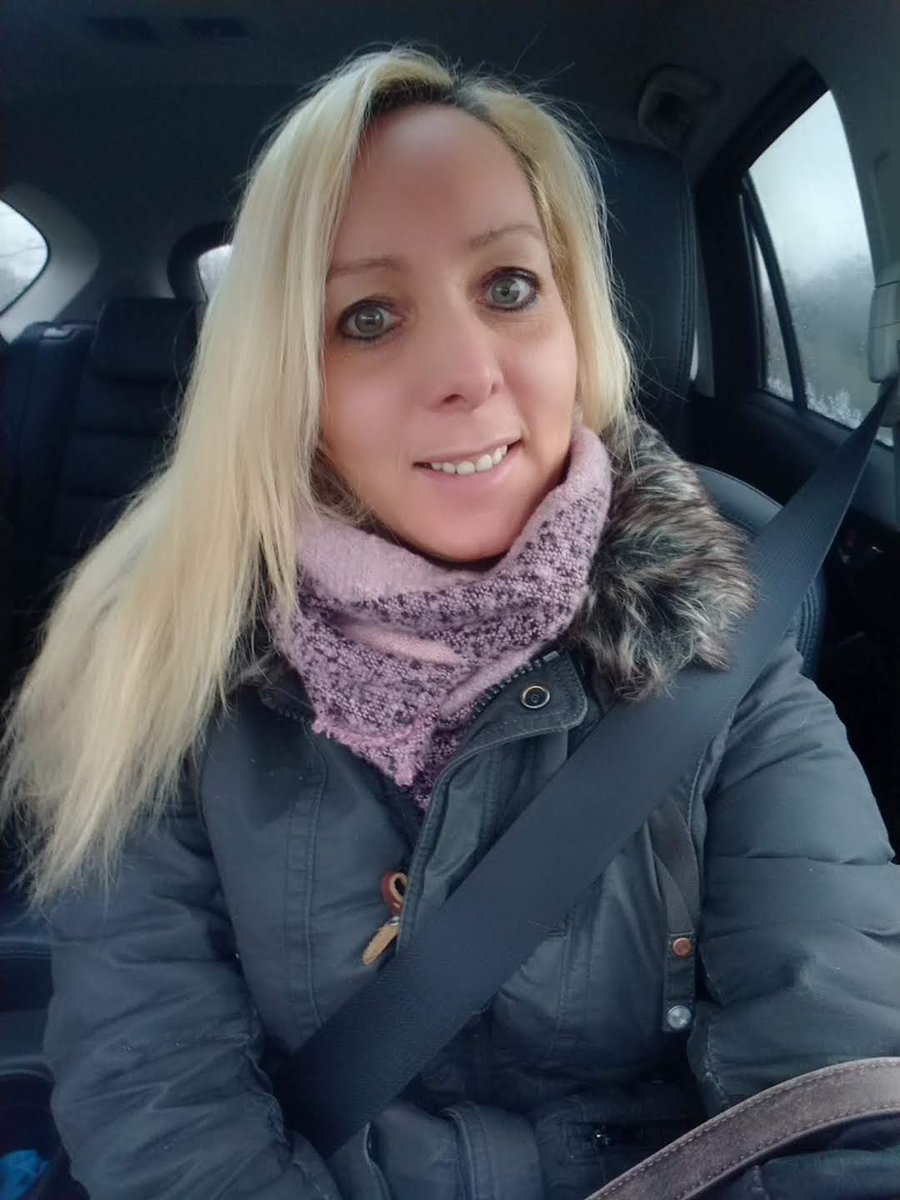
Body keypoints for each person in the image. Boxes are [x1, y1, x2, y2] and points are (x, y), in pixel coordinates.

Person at [2, 45, 900, 1200]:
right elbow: (157, 1091)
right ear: (286, 382)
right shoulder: (156, 655)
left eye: (510, 287)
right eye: (368, 316)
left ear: (575, 317)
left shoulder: (723, 649)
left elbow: (837, 1093)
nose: (468, 372)